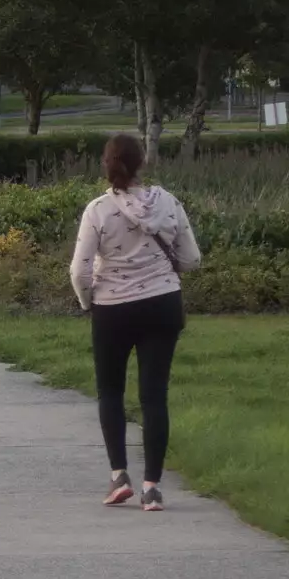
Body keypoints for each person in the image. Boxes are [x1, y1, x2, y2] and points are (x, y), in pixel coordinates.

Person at [69, 134, 201, 511]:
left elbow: (79, 270)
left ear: (107, 163)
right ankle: (153, 487)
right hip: (162, 304)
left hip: (112, 309)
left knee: (110, 392)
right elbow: (191, 259)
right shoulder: (169, 203)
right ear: (142, 162)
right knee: (154, 396)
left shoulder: (97, 210)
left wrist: (87, 302)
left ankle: (118, 476)